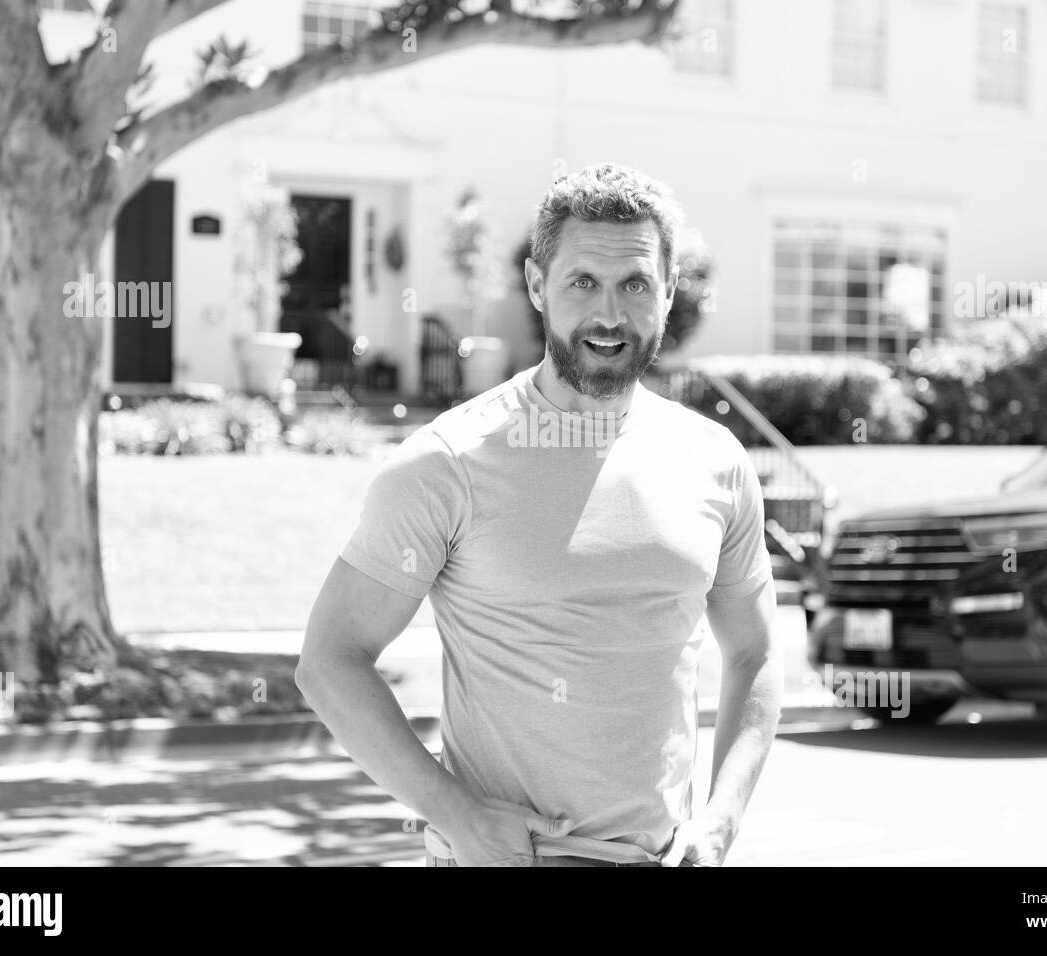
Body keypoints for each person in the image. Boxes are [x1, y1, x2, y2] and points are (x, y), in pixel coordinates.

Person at [296, 163, 783, 867]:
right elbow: (330, 661)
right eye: (582, 281)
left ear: (670, 290)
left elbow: (755, 651)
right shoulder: (447, 463)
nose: (610, 315)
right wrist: (458, 817)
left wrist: (720, 822)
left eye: (636, 284)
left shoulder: (714, 461)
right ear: (535, 286)